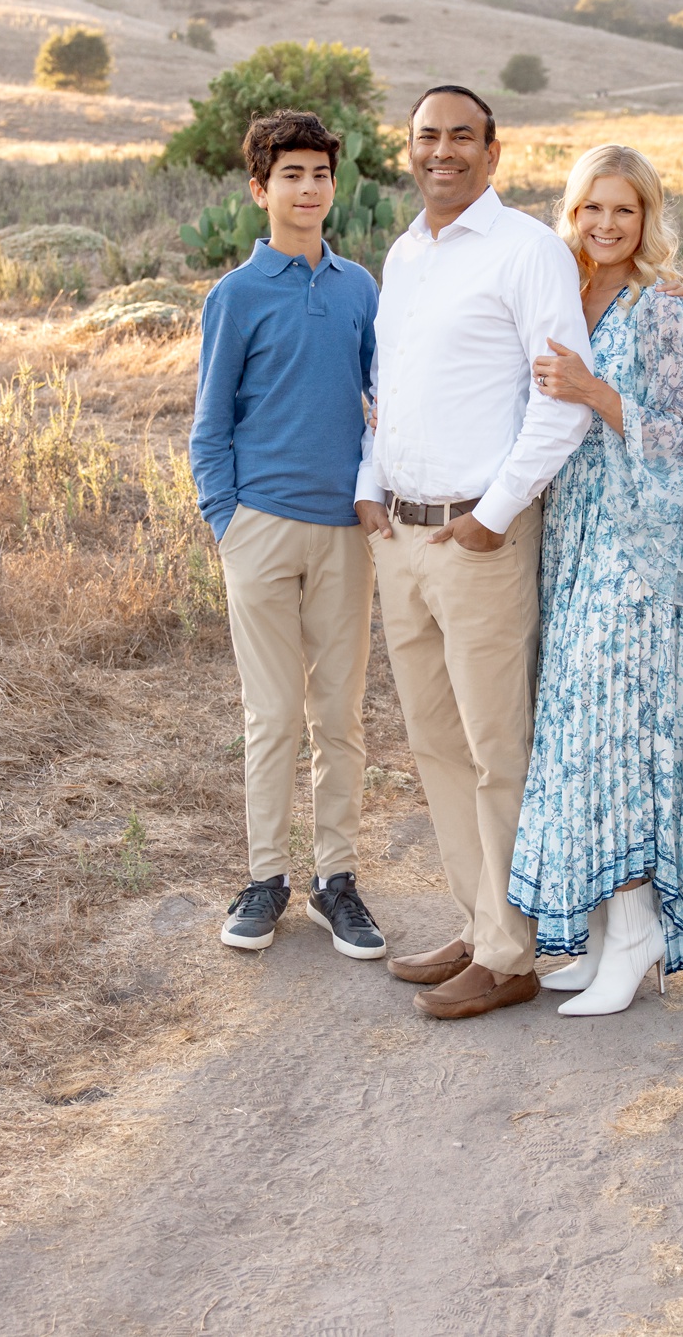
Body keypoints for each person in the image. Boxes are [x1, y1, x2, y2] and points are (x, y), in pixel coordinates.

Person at [356, 85, 593, 1020]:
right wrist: (371, 485)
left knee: (498, 746)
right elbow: (392, 384)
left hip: (476, 535)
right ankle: (479, 920)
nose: (442, 151)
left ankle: (514, 949)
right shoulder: (405, 253)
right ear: (408, 151)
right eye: (427, 137)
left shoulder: (528, 250)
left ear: (494, 153)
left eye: (462, 137)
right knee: (436, 741)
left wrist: (496, 512)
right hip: (401, 535)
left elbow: (563, 397)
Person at [508, 144, 683, 1017]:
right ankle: (604, 928)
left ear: (648, 219)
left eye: (624, 211)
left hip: (633, 553)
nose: (606, 224)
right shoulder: (564, 289)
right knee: (575, 733)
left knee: (614, 730)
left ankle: (638, 924)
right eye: (592, 208)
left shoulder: (662, 308)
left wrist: (597, 392)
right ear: (572, 211)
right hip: (571, 537)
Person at [191, 109, 388, 961]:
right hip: (261, 532)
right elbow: (209, 424)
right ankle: (265, 877)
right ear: (259, 189)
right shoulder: (235, 296)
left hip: (345, 531)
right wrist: (228, 524)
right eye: (291, 175)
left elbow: (391, 395)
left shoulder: (360, 288)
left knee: (339, 715)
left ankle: (335, 880)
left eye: (320, 174)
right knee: (272, 714)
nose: (308, 189)